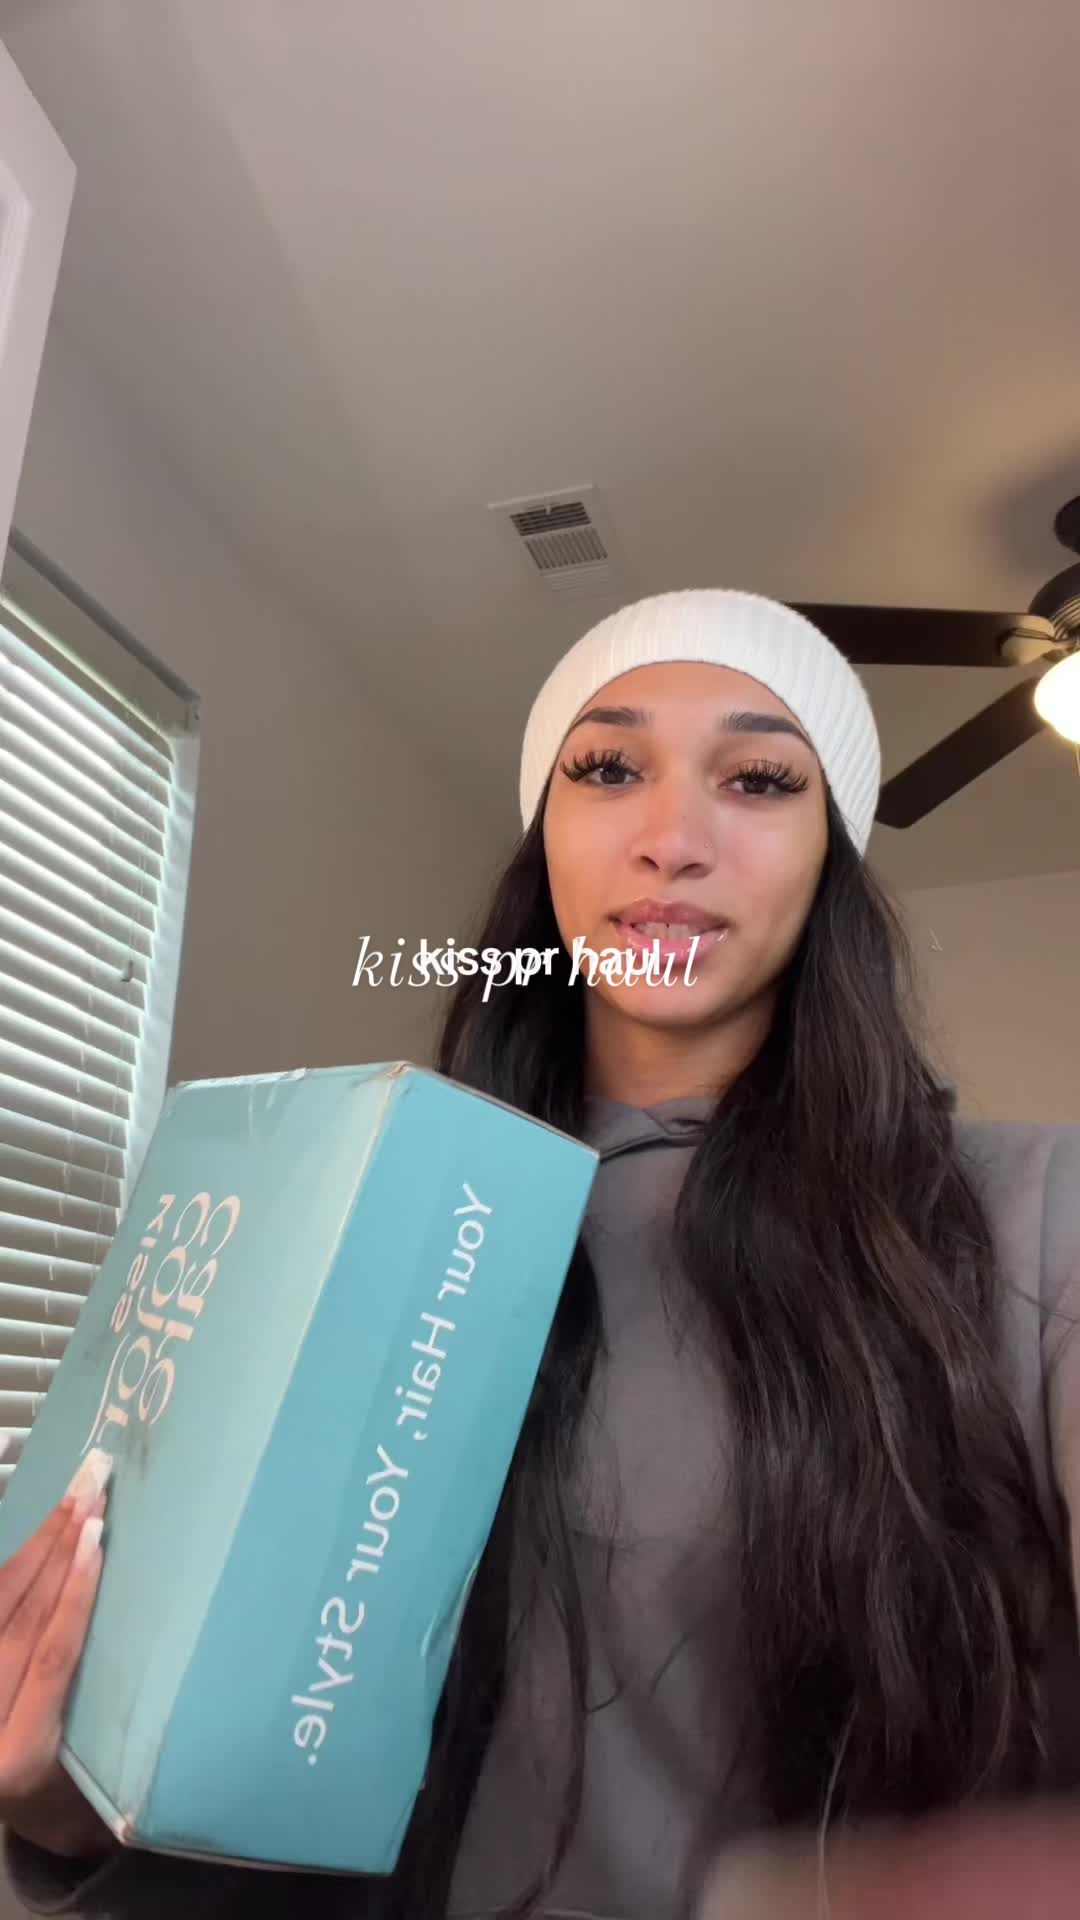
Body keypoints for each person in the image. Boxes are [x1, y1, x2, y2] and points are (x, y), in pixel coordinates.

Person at [1, 588, 1079, 1920]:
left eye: (757, 780)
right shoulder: (359, 1214)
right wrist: (69, 1805)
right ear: (545, 836)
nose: (671, 839)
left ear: (830, 856)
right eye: (610, 769)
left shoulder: (1037, 1212)